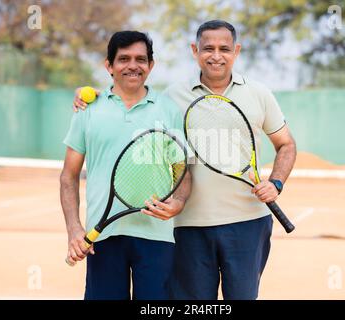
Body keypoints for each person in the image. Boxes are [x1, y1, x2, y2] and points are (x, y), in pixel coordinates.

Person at [73, 20, 296, 300]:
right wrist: (87, 96)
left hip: (248, 224)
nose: (216, 55)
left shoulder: (259, 94)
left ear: (236, 51)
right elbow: (129, 92)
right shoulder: (170, 99)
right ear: (195, 50)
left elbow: (286, 144)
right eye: (208, 48)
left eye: (224, 48)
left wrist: (276, 182)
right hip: (188, 229)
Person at [61, 30, 191, 300]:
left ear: (151, 66)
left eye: (141, 59)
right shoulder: (88, 109)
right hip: (103, 235)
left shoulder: (168, 109)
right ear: (109, 65)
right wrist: (74, 228)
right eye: (124, 59)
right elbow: (69, 176)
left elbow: (183, 171)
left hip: (157, 237)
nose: (133, 65)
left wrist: (178, 201)